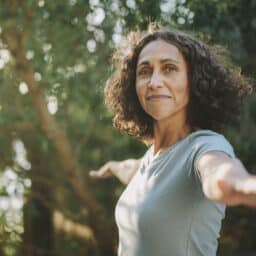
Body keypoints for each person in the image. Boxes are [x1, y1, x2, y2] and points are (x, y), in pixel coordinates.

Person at [90, 24, 256, 256]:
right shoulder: (150, 159)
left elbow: (223, 174)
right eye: (144, 71)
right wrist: (110, 168)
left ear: (194, 81)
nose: (154, 82)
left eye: (169, 68)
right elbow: (131, 169)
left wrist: (242, 186)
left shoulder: (205, 147)